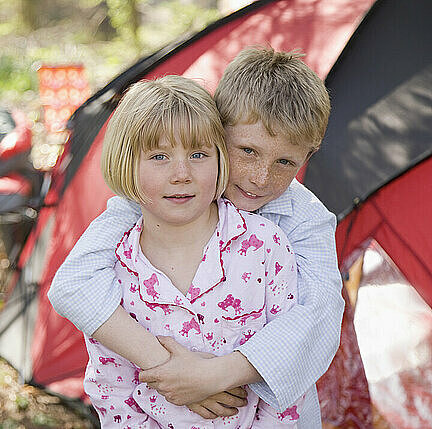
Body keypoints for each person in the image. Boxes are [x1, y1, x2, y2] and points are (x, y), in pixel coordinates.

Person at [49, 47, 344, 428]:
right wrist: (166, 366)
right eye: (247, 151)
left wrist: (213, 377)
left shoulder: (304, 219)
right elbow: (72, 284)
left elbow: (318, 320)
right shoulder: (158, 199)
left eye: (285, 162)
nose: (260, 178)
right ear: (218, 133)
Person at [84, 74, 304, 427]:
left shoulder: (266, 246)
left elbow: (288, 367)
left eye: (198, 154)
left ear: (221, 159)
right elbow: (111, 387)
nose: (182, 174)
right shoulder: (112, 269)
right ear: (126, 163)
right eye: (159, 156)